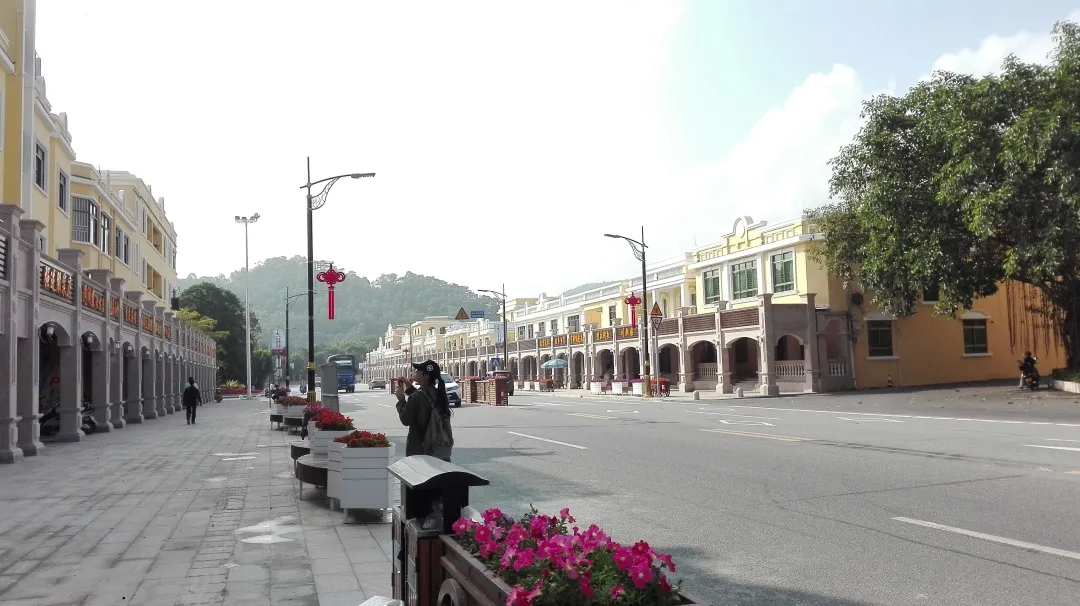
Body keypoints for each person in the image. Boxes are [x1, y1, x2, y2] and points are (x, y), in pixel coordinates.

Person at [394, 360, 454, 461]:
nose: (415, 372)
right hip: (438, 450)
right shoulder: (439, 394)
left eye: (418, 370)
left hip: (420, 451)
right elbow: (424, 397)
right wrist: (409, 386)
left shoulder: (416, 397)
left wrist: (401, 400)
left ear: (425, 376)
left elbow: (405, 420)